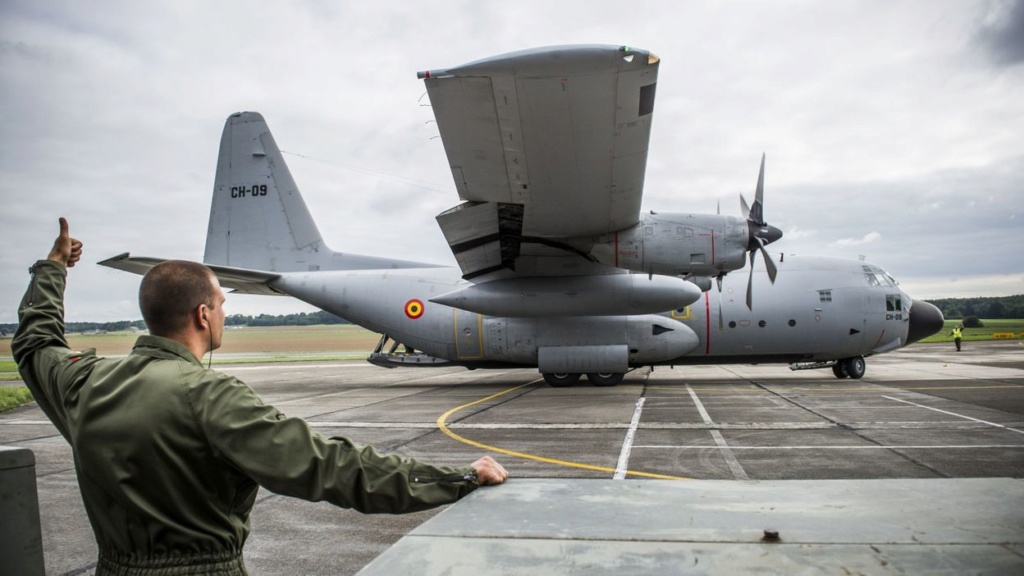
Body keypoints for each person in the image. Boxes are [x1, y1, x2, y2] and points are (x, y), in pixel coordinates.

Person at [13, 218, 508, 576]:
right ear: (203, 316)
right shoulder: (209, 397)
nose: (225, 314)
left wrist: (53, 269)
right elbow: (330, 467)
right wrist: (459, 477)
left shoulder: (83, 385)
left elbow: (36, 343)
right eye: (223, 305)